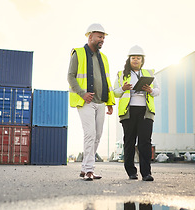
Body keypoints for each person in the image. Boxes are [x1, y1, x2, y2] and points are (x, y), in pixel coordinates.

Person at [67, 23, 115, 181]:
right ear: (90, 37)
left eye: (103, 37)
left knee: (98, 136)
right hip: (85, 101)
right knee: (90, 134)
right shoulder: (78, 53)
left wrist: (109, 101)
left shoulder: (104, 58)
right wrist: (82, 94)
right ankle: (89, 170)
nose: (102, 40)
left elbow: (106, 81)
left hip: (100, 101)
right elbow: (71, 76)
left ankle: (84, 168)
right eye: (99, 37)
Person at [114, 45, 160, 181]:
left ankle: (146, 173)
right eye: (133, 58)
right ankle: (131, 172)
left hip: (145, 111)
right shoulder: (121, 75)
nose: (135, 60)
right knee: (129, 142)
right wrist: (123, 88)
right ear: (129, 60)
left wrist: (150, 90)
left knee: (145, 143)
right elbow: (114, 93)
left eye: (138, 58)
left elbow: (158, 91)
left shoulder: (149, 74)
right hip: (128, 111)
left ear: (142, 60)